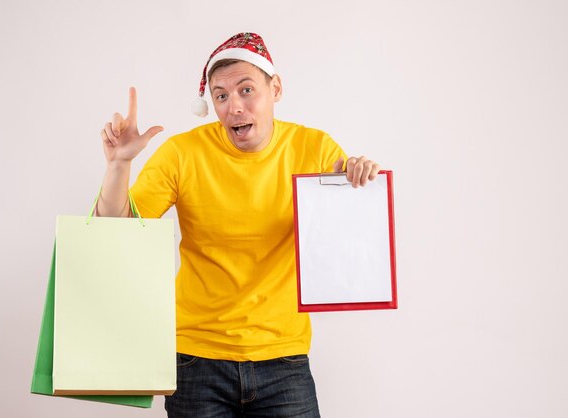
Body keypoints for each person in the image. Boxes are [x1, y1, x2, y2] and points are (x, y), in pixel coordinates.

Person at [97, 32, 380, 418]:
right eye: (221, 96)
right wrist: (119, 165)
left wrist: (354, 189)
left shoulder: (315, 149)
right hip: (197, 360)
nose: (234, 107)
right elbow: (112, 235)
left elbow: (346, 247)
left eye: (247, 90)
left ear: (275, 88)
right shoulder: (183, 154)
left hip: (284, 359)